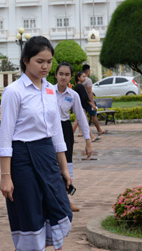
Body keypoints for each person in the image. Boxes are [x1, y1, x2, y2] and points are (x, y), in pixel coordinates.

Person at [0, 36, 72, 251]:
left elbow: (56, 133)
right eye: (40, 61)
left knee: (61, 210)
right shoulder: (14, 92)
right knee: (29, 215)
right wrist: (5, 177)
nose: (45, 67)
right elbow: (5, 137)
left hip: (46, 155)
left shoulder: (50, 90)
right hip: (21, 159)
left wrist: (64, 169)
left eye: (49, 62)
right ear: (25, 61)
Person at [54, 62, 93, 212]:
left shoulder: (73, 95)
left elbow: (81, 118)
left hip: (65, 130)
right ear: (56, 75)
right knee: (50, 164)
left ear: (71, 77)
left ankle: (65, 200)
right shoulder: (47, 91)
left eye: (67, 74)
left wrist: (88, 141)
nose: (63, 77)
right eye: (61, 74)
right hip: (48, 131)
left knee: (66, 164)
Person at [74, 71, 99, 142]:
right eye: (83, 76)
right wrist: (92, 104)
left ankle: (92, 137)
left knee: (80, 122)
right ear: (78, 78)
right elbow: (85, 97)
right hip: (81, 107)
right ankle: (92, 137)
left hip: (80, 107)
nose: (85, 78)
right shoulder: (80, 86)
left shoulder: (78, 86)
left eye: (85, 76)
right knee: (82, 122)